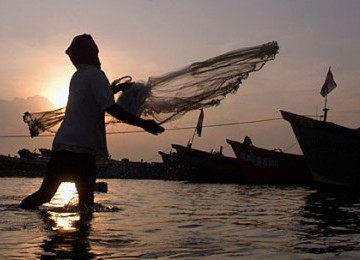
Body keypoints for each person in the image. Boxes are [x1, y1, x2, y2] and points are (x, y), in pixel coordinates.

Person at [19, 34, 164, 209]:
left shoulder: (78, 76)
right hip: (81, 150)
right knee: (86, 204)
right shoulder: (96, 75)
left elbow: (91, 98)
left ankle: (18, 213)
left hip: (62, 147)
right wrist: (144, 124)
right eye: (95, 52)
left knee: (45, 195)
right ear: (91, 53)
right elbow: (110, 108)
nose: (98, 57)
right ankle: (81, 235)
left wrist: (115, 89)